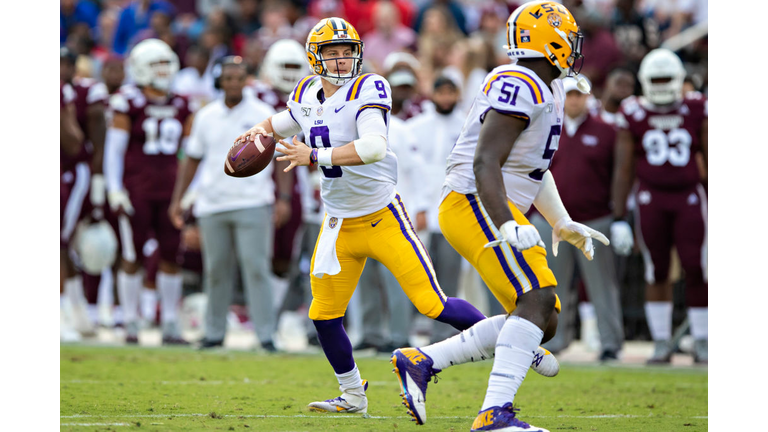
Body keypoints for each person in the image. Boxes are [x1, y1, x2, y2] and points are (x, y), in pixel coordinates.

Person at [233, 17, 487, 415]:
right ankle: (353, 395)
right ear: (315, 58)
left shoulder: (370, 86)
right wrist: (255, 132)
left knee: (433, 304)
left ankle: (513, 341)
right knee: (323, 316)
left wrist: (313, 155)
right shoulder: (305, 92)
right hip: (338, 222)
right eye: (331, 53)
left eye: (346, 51)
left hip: (382, 216)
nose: (340, 59)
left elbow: (372, 147)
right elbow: (277, 124)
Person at [390, 3, 609, 430]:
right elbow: (485, 161)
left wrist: (559, 220)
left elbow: (531, 169)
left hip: (493, 202)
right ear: (549, 40)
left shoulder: (549, 86)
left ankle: (422, 361)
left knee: (544, 318)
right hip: (475, 200)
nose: (574, 45)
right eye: (568, 36)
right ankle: (495, 415)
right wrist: (506, 223)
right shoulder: (520, 81)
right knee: (537, 299)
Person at [169, 56, 288, 352]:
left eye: (239, 77)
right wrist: (179, 200)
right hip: (213, 203)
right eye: (228, 78)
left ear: (247, 80)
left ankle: (266, 335)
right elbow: (192, 160)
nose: (234, 83)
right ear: (220, 81)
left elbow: (280, 155)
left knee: (256, 268)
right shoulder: (206, 116)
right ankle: (213, 332)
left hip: (253, 201)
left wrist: (283, 198)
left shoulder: (263, 114)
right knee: (216, 269)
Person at [611, 48, 707, 364]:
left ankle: (703, 339)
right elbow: (624, 167)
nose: (663, 84)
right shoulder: (633, 112)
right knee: (657, 269)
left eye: (667, 78)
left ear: (680, 79)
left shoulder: (697, 107)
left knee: (698, 267)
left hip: (689, 196)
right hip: (651, 197)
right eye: (657, 79)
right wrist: (620, 216)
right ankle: (663, 341)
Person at [105, 39, 194, 344]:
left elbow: (190, 151)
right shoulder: (127, 101)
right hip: (136, 190)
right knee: (131, 256)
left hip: (171, 192)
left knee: (171, 256)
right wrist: (114, 188)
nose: (164, 71)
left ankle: (169, 321)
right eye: (157, 65)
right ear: (142, 68)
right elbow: (114, 150)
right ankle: (130, 320)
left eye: (166, 64)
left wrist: (190, 191)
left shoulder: (182, 103)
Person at [530, 77, 625, 361]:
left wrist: (619, 216)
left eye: (579, 95)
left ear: (589, 98)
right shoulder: (545, 129)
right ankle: (555, 341)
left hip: (593, 218)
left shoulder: (608, 131)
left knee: (602, 284)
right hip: (550, 220)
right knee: (550, 283)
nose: (574, 100)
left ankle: (610, 342)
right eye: (570, 95)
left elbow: (619, 174)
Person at [405, 76, 467, 343]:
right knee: (414, 274)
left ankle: (443, 335)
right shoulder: (415, 127)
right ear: (432, 94)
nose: (445, 98)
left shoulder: (467, 125)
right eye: (440, 92)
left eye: (449, 93)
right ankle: (407, 330)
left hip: (452, 211)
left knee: (448, 275)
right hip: (418, 210)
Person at [60, 46, 109, 337]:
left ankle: (68, 313)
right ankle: (76, 312)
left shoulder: (80, 92)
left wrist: (99, 187)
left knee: (60, 241)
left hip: (71, 173)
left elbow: (78, 144)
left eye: (65, 64)